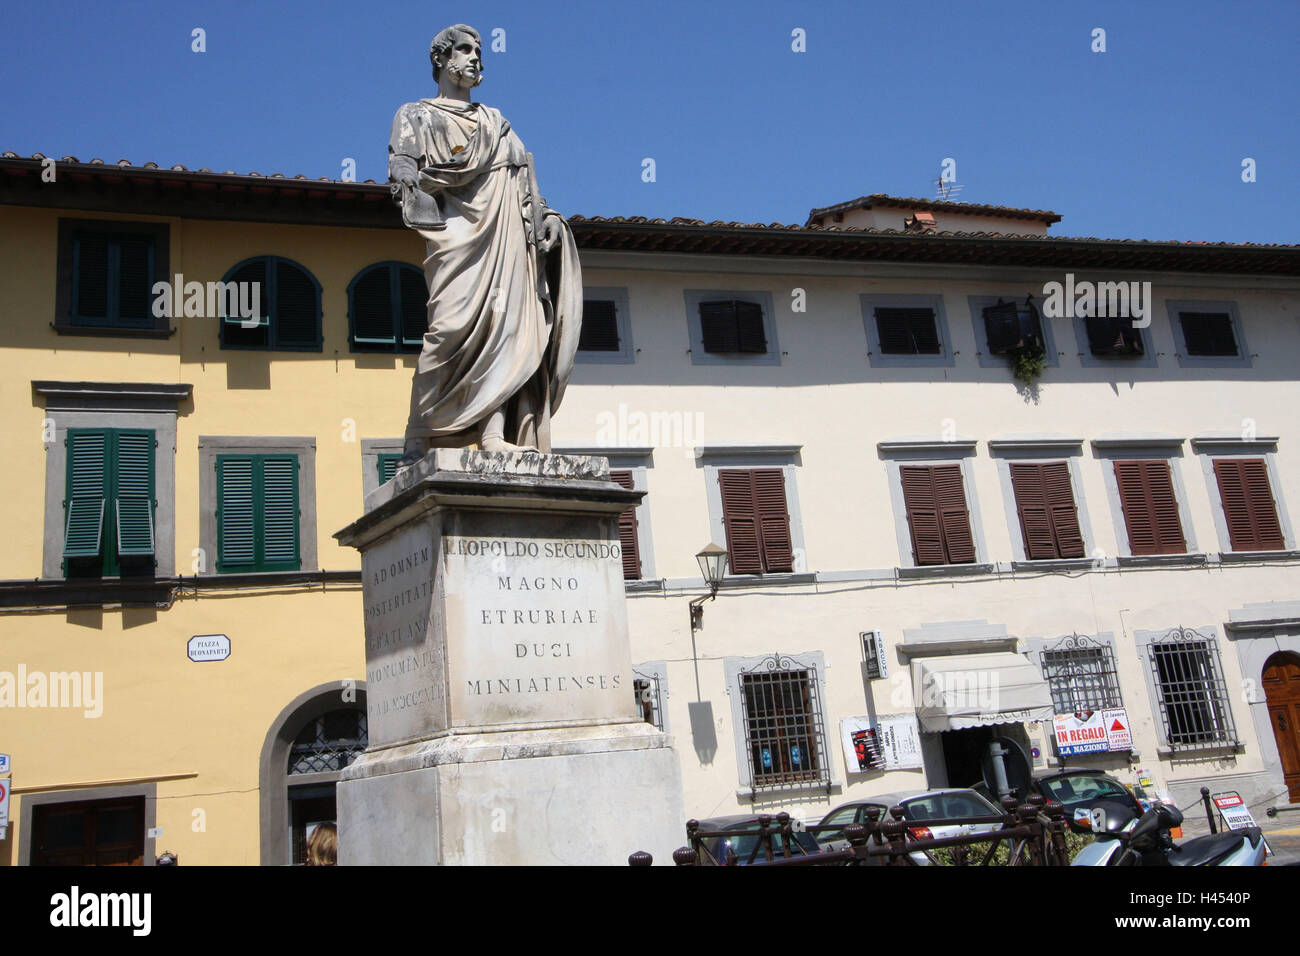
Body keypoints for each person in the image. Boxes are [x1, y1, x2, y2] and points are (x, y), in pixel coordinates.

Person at [388, 24, 581, 463]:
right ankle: (419, 438)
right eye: (465, 50)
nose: (476, 58)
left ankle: (493, 434)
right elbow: (403, 162)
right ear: (441, 59)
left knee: (503, 331)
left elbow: (527, 184)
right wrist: (405, 183)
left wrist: (547, 218)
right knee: (446, 332)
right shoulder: (416, 114)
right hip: (454, 238)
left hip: (506, 240)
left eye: (479, 52)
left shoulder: (497, 124)